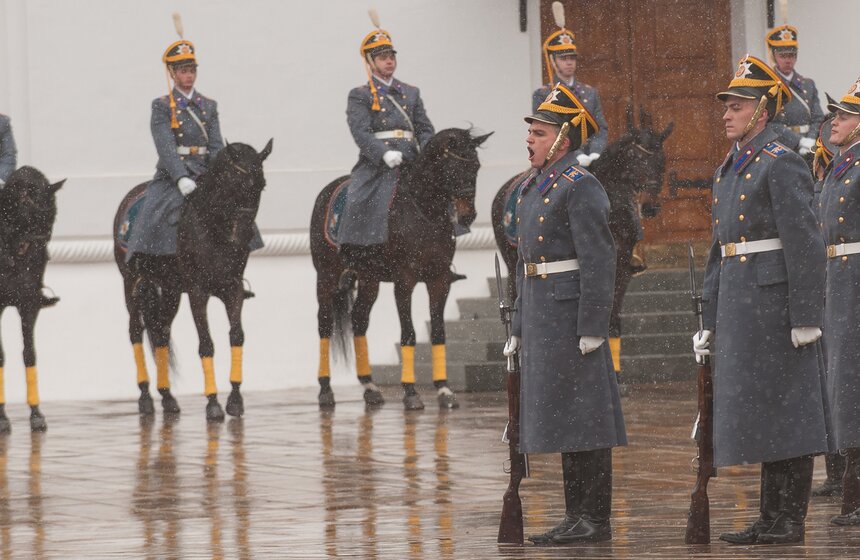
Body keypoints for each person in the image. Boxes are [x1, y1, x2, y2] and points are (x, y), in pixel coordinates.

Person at [692, 54, 830, 545]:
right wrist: (710, 315)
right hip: (740, 302)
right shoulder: (730, 167)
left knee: (789, 411)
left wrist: (806, 314)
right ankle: (769, 516)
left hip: (775, 305)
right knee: (766, 412)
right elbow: (720, 249)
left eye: (737, 106)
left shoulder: (781, 161)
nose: (726, 114)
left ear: (762, 112)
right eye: (726, 106)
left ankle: (789, 520)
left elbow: (805, 242)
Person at [503, 83, 626, 545]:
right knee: (563, 417)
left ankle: (595, 517)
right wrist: (518, 324)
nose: (529, 139)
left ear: (561, 140)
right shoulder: (534, 185)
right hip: (542, 313)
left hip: (570, 315)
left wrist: (594, 324)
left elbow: (599, 258)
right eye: (531, 132)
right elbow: (524, 263)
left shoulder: (580, 185)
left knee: (586, 418)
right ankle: (576, 516)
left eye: (539, 133)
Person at [126, 29, 262, 268]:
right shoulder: (162, 106)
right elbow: (165, 146)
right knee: (153, 213)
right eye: (183, 71)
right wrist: (180, 177)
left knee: (237, 209)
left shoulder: (208, 106)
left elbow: (216, 145)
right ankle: (144, 265)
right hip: (173, 174)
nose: (189, 76)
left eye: (191, 71)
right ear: (172, 73)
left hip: (205, 170)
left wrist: (221, 173)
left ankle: (233, 269)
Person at [337, 18, 434, 286]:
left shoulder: (411, 93)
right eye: (382, 57)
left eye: (391, 56)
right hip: (377, 164)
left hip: (411, 160)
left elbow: (424, 127)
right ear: (370, 62)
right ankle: (353, 259)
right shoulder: (360, 94)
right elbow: (360, 131)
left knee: (439, 193)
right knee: (356, 198)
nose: (389, 61)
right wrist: (383, 153)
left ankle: (441, 255)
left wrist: (428, 152)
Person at [817, 77, 860, 526]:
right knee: (844, 384)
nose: (835, 122)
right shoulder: (840, 165)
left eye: (845, 116)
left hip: (856, 282)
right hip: (839, 281)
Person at [531, 11, 607, 169]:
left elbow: (600, 127)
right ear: (553, 61)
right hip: (560, 160)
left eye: (572, 58)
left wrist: (596, 152)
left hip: (595, 161)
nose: (569, 62)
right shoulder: (543, 94)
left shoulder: (590, 93)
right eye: (563, 58)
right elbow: (546, 132)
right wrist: (577, 154)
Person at [0, 114, 58, 307]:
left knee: (32, 230)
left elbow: (9, 156)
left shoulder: (2, 123)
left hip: (1, 187)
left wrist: (1, 179)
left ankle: (34, 287)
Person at [765, 25, 824, 158]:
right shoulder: (769, 86)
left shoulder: (808, 84)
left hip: (809, 147)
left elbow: (818, 117)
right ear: (774, 56)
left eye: (791, 55)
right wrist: (799, 141)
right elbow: (770, 123)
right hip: (782, 147)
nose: (788, 60)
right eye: (783, 56)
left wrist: (810, 140)